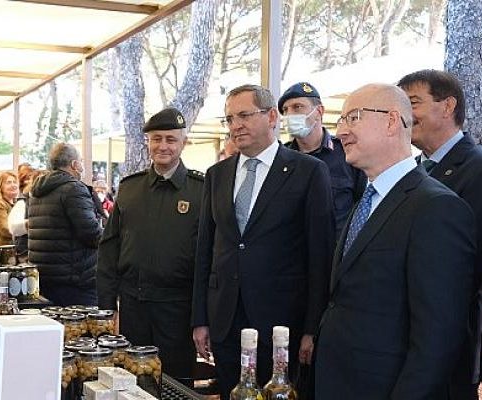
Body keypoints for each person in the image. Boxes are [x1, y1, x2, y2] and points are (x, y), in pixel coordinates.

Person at [314, 83, 475, 399]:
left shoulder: (436, 208)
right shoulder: (367, 199)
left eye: (353, 118)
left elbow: (437, 338)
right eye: (340, 121)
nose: (341, 131)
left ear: (391, 121)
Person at [191, 84, 335, 399]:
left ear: (271, 117)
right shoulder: (216, 174)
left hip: (281, 323)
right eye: (229, 119)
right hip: (226, 320)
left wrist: (312, 327)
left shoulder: (309, 172)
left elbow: (319, 256)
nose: (235, 125)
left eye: (244, 115)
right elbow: (205, 251)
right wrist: (200, 319)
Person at [397, 69, 482, 398]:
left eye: (413, 102)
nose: (405, 114)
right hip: (405, 334)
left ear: (447, 106)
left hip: (448, 338)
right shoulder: (414, 169)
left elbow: (472, 265)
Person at [98, 108, 204, 384]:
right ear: (148, 142)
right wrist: (107, 305)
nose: (163, 146)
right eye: (156, 139)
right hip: (133, 307)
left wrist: (203, 317)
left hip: (178, 309)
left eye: (171, 139)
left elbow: (209, 257)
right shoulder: (130, 188)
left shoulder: (201, 190)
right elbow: (110, 248)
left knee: (175, 383)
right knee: (132, 382)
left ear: (183, 142)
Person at [279, 82, 366, 238]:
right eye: (285, 110)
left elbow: (362, 204)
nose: (290, 115)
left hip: (336, 254)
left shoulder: (346, 152)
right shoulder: (281, 159)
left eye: (297, 107)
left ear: (319, 111)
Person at [28, 143, 102, 306]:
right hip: (75, 279)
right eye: (81, 162)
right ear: (74, 164)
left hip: (44, 276)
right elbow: (91, 233)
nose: (82, 167)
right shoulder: (74, 189)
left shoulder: (37, 191)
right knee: (81, 329)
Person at [9, 165, 36, 261]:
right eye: (25, 178)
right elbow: (14, 228)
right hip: (25, 254)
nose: (27, 181)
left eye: (30, 177)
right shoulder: (22, 203)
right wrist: (32, 224)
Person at [0, 171, 19, 246]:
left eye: (14, 182)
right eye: (8, 182)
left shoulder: (16, 204)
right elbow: (5, 230)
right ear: (1, 187)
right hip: (3, 251)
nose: (13, 185)